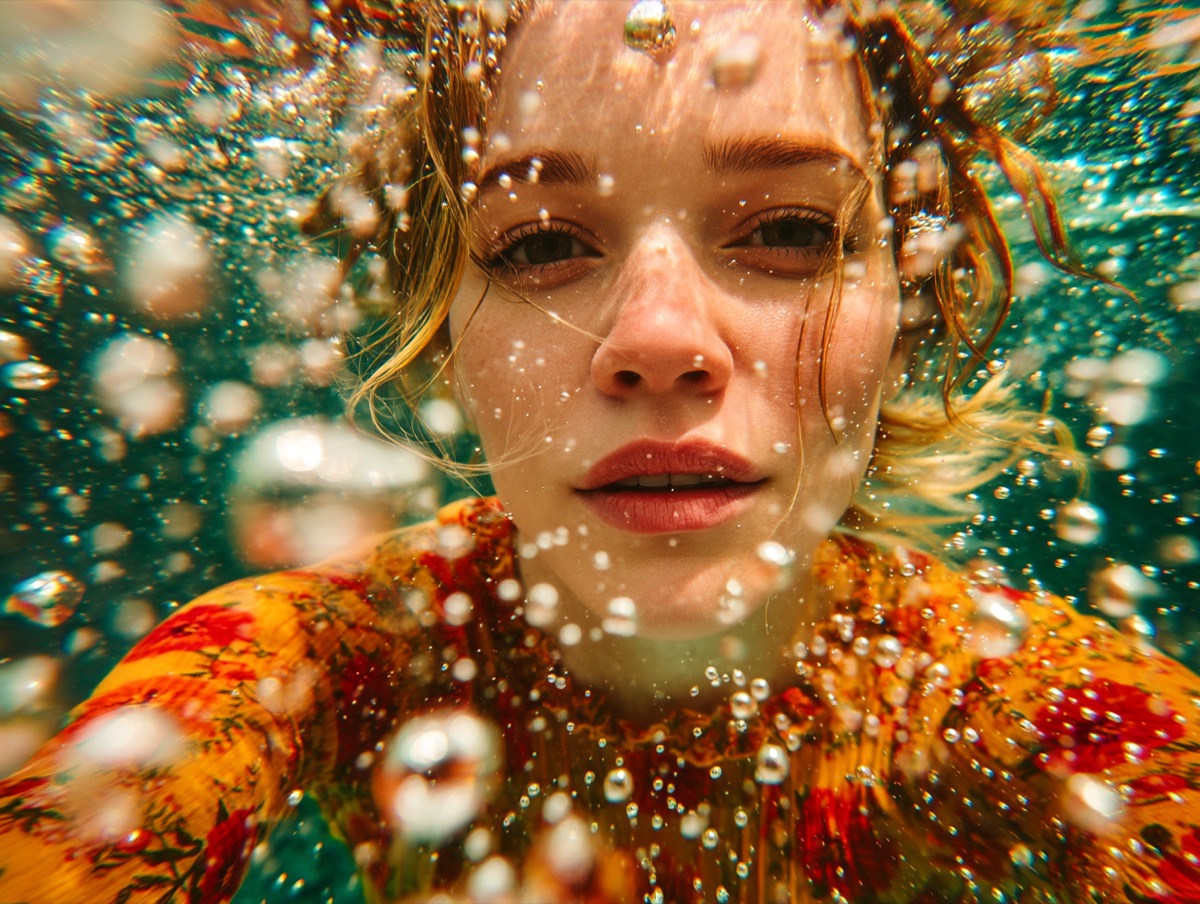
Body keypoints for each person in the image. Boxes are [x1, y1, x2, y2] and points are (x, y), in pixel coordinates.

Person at [2, 2, 1199, 902]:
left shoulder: (992, 696)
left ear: (909, 315)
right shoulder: (323, 656)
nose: (661, 341)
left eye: (789, 229)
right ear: (442, 334)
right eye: (535, 245)